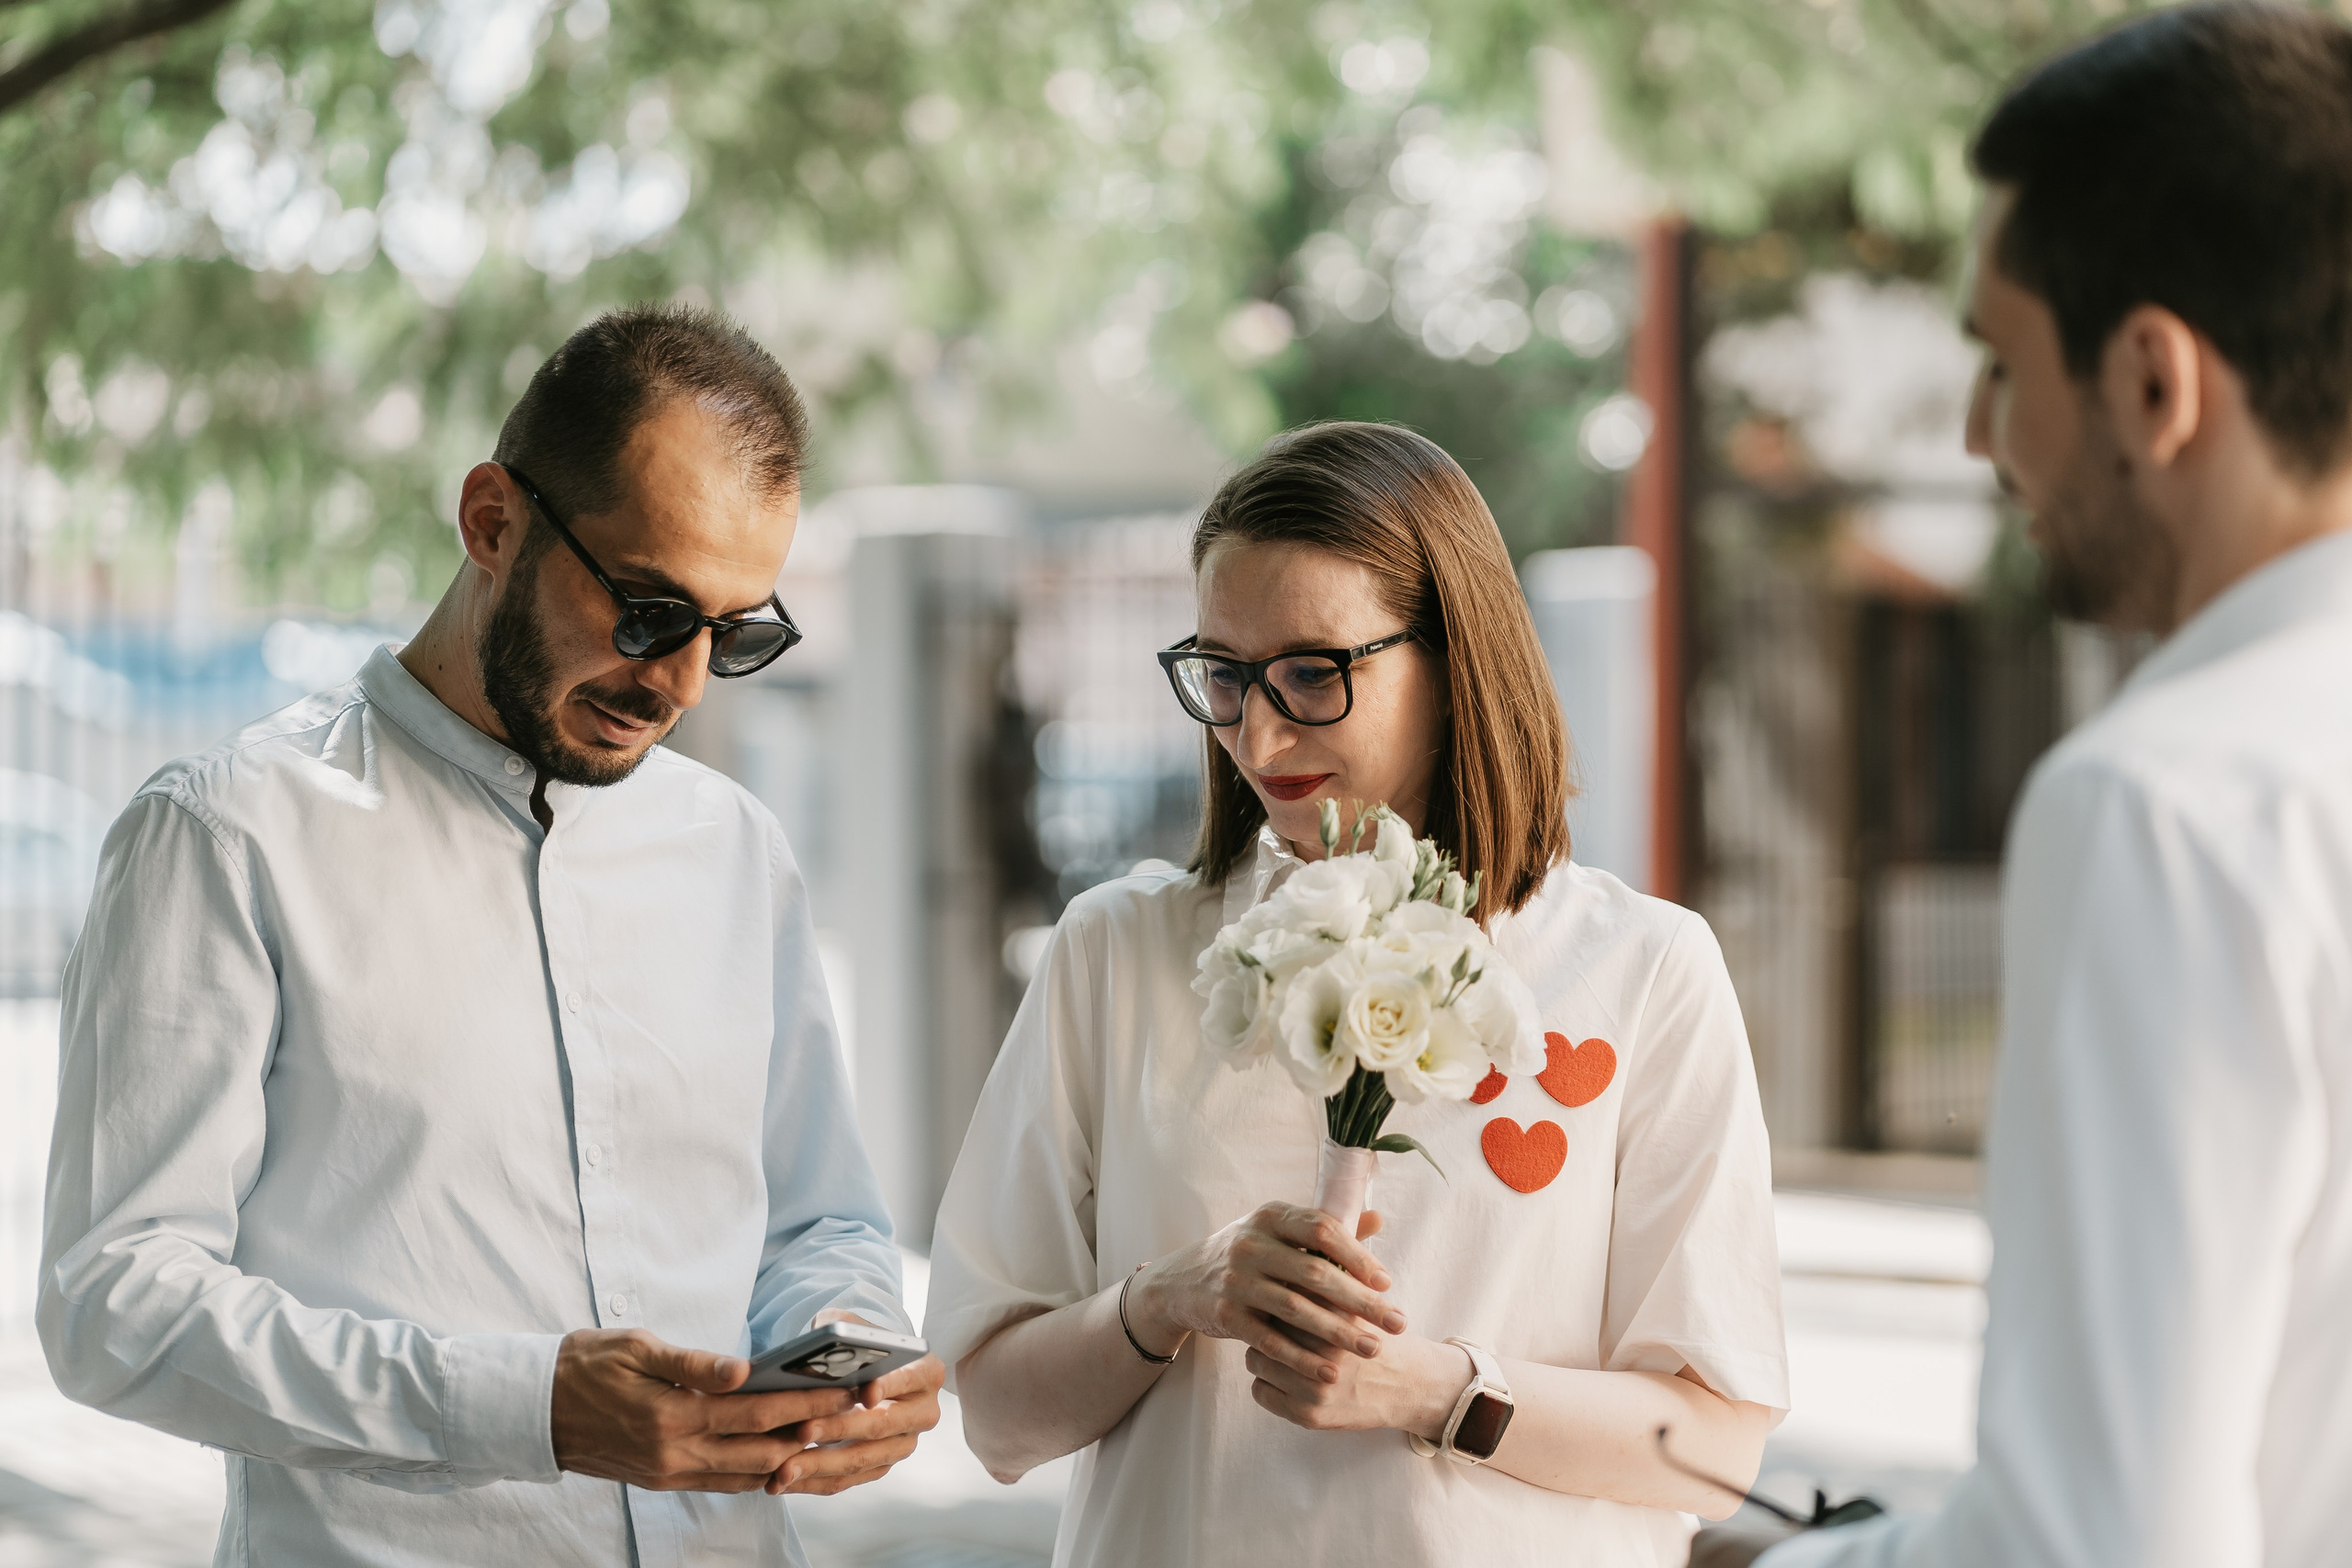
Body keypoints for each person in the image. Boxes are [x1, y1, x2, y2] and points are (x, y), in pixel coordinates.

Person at [39, 306, 944, 1567]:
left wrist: (850, 1340)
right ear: (490, 520)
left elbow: (817, 1218)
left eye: (734, 632)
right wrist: (527, 1404)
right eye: (646, 609)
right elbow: (117, 1301)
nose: (680, 683)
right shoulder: (226, 835)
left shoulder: (737, 851)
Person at [1694, 5, 2352, 1565]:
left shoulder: (2168, 798)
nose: (1988, 438)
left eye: (1999, 360)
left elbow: (2097, 1541)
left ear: (2151, 380)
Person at [924, 422, 1789, 1567]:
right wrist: (1167, 1300)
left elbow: (1712, 1446)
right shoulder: (1118, 953)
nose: (1259, 729)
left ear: (1453, 655)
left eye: (1312, 672)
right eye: (1224, 675)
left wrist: (1436, 1390)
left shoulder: (1641, 970)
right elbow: (993, 1415)